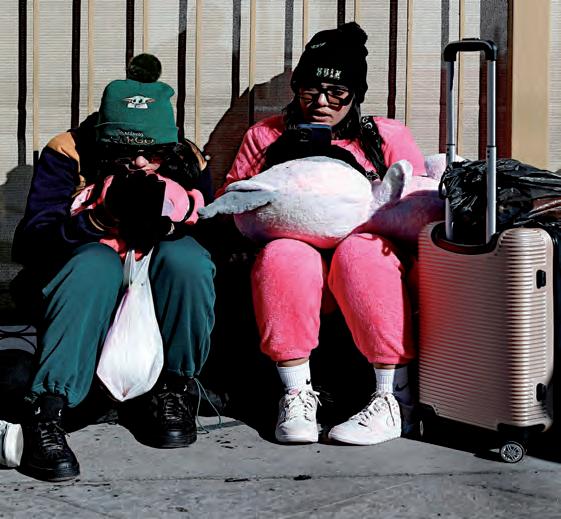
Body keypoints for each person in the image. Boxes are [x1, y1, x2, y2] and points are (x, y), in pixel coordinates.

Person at [216, 22, 426, 446]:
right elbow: (229, 204)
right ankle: (296, 394)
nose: (322, 103)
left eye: (338, 93)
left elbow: (418, 203)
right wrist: (278, 172)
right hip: (296, 259)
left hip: (364, 262)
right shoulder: (266, 134)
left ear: (356, 95)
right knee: (284, 255)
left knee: (360, 252)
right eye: (310, 91)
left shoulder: (384, 136)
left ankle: (394, 399)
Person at [12, 54, 216, 481]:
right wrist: (95, 220)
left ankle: (172, 390)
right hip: (86, 280)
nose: (141, 162)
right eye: (126, 151)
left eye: (154, 153)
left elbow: (214, 231)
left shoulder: (185, 157)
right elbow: (31, 242)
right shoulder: (68, 151)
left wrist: (168, 225)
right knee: (95, 263)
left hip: (153, 281)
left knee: (189, 261)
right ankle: (48, 409)